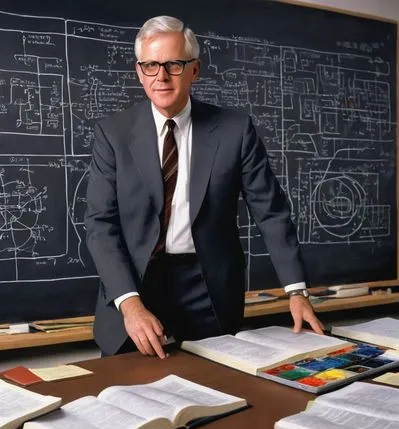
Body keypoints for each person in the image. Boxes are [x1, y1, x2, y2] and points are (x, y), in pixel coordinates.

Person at [85, 15, 324, 358]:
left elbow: (270, 212)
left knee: (218, 396)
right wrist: (129, 304)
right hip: (135, 287)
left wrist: (297, 292)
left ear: (194, 70)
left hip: (208, 290)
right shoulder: (113, 133)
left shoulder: (235, 131)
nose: (161, 76)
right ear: (139, 72)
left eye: (174, 64)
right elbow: (100, 224)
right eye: (151, 65)